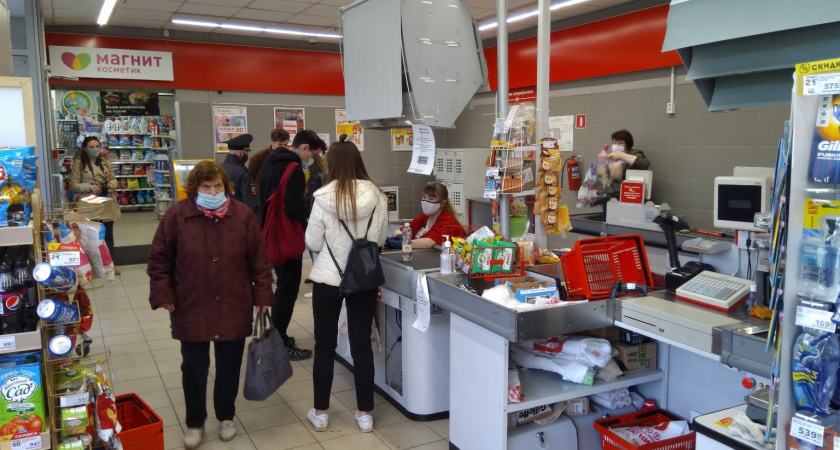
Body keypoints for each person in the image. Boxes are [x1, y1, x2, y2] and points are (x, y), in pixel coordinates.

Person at [147, 160, 273, 449]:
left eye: (218, 186)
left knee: (229, 365)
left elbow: (259, 261)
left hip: (233, 301)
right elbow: (159, 259)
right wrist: (163, 293)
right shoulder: (177, 215)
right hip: (191, 302)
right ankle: (194, 422)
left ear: (226, 186)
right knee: (193, 366)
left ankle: (226, 415)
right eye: (206, 186)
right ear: (195, 189)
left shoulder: (242, 216)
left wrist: (263, 296)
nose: (213, 191)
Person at [304, 135, 388, 433]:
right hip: (362, 279)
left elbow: (312, 241)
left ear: (333, 164)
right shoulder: (377, 195)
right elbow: (377, 240)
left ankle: (321, 412)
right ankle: (365, 414)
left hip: (327, 278)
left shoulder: (322, 197)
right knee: (362, 346)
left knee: (324, 345)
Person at [258, 129, 326, 361]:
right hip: (286, 238)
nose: (312, 159)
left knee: (282, 289)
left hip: (270, 234)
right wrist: (311, 208)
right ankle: (278, 343)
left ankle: (276, 336)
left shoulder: (271, 161)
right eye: (313, 154)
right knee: (287, 291)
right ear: (304, 148)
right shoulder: (294, 168)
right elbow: (292, 208)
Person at [69, 135, 121, 275]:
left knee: (108, 236)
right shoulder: (80, 163)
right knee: (91, 237)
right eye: (91, 147)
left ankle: (111, 266)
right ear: (84, 149)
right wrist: (89, 186)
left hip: (107, 203)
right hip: (90, 204)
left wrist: (112, 184)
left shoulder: (105, 162)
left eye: (97, 146)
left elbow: (113, 178)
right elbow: (73, 184)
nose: (95, 149)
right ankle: (93, 267)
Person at [391, 182, 466, 249]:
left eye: (431, 199)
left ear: (442, 203)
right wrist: (400, 237)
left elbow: (429, 242)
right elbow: (398, 231)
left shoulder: (447, 221)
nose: (426, 201)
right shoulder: (424, 217)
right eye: (424, 197)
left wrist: (404, 243)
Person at [602, 129, 650, 199]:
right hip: (611, 195)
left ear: (627, 145)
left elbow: (644, 164)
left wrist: (621, 155)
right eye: (614, 142)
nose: (616, 145)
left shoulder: (633, 153)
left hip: (629, 194)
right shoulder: (612, 156)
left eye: (620, 143)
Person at [221, 134, 259, 216]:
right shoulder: (243, 173)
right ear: (242, 153)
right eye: (246, 152)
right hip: (238, 218)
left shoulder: (217, 168)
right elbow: (251, 204)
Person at [249, 128, 290, 193]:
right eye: (280, 144)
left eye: (285, 145)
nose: (283, 148)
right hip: (262, 195)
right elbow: (251, 177)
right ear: (271, 142)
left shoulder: (287, 157)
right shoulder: (260, 156)